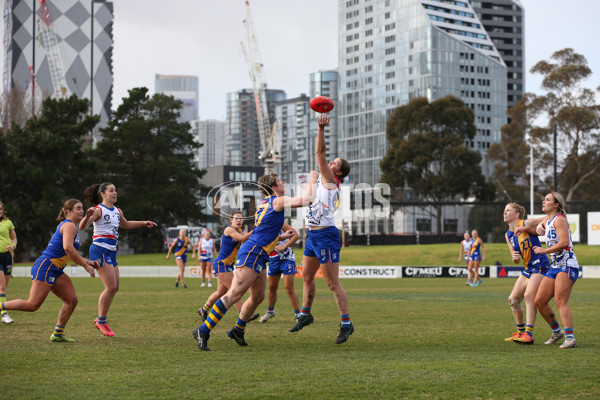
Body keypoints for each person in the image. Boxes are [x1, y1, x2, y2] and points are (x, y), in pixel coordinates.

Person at [192, 172, 316, 351]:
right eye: (280, 180)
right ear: (274, 187)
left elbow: (262, 231)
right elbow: (309, 199)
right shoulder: (277, 201)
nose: (283, 182)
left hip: (259, 254)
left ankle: (238, 330)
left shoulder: (265, 204)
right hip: (252, 253)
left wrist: (281, 236)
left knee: (258, 297)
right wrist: (312, 179)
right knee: (233, 295)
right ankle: (202, 331)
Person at [289, 113, 353, 344]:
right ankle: (305, 315)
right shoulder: (322, 179)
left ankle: (346, 323)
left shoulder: (330, 179)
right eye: (332, 161)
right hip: (313, 235)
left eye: (335, 163)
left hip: (326, 235)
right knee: (306, 276)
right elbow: (309, 196)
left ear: (339, 173)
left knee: (332, 283)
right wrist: (312, 181)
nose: (331, 162)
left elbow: (319, 154)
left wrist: (321, 128)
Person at [0, 199, 98, 341]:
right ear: (68, 212)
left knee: (72, 300)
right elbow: (68, 248)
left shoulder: (71, 227)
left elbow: (66, 253)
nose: (82, 211)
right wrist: (85, 266)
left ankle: (57, 334)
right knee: (32, 305)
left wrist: (88, 262)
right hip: (47, 266)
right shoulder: (69, 225)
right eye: (78, 208)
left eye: (82, 208)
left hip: (55, 269)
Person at [80, 182, 157, 337]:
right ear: (102, 194)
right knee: (111, 287)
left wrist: (143, 223)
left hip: (111, 252)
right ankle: (101, 321)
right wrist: (87, 216)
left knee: (115, 288)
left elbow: (126, 224)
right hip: (99, 250)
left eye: (115, 191)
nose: (115, 193)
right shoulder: (98, 210)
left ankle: (101, 320)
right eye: (111, 191)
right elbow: (82, 227)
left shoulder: (117, 211)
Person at [520, 192, 579, 348]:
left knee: (560, 300)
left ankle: (570, 338)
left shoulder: (559, 220)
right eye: (544, 199)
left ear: (556, 205)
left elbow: (565, 242)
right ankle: (557, 331)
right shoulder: (549, 221)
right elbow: (537, 230)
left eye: (547, 200)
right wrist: (524, 229)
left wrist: (545, 251)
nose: (543, 201)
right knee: (539, 301)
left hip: (567, 265)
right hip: (555, 267)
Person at [197, 211, 258, 322]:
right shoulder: (229, 229)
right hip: (221, 265)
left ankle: (203, 309)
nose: (239, 220)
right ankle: (244, 314)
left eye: (241, 218)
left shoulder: (241, 231)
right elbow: (242, 238)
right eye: (236, 218)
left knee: (220, 292)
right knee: (234, 290)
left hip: (227, 265)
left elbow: (248, 237)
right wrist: (256, 230)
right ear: (231, 220)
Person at [502, 203, 549, 345]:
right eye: (504, 210)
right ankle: (521, 332)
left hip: (540, 264)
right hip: (528, 267)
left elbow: (548, 217)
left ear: (517, 214)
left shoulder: (525, 223)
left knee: (529, 296)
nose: (505, 213)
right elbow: (515, 258)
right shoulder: (507, 234)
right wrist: (514, 258)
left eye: (508, 210)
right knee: (513, 300)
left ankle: (529, 334)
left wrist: (539, 227)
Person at [259, 222, 301, 323]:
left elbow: (296, 236)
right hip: (273, 259)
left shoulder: (281, 223)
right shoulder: (264, 224)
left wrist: (284, 246)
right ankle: (270, 312)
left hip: (287, 258)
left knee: (289, 287)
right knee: (272, 288)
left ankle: (298, 314)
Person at [0, 201, 17, 324]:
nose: (0, 211)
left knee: (4, 287)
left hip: (7, 257)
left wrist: (12, 246)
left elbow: (14, 238)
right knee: (2, 286)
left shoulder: (8, 222)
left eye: (0, 209)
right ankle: (4, 314)